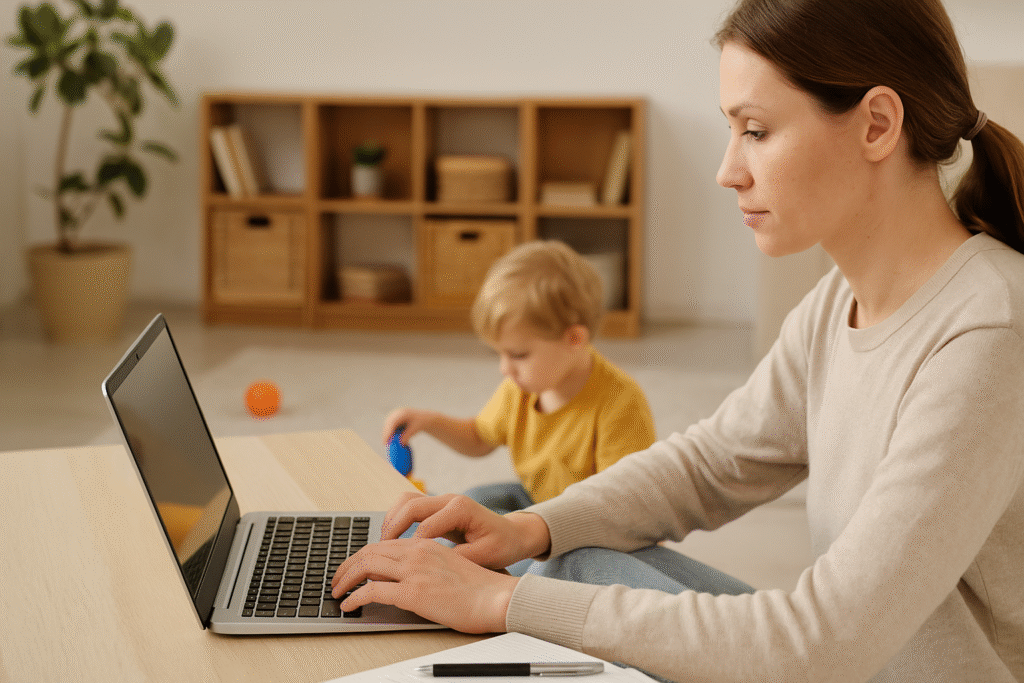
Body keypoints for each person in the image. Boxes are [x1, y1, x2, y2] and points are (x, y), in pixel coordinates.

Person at [333, 0, 1024, 679]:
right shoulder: (837, 303)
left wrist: (500, 601)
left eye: (756, 131)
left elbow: (822, 642)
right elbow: (711, 464)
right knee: (555, 550)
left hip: (842, 662)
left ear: (877, 125)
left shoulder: (988, 331)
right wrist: (530, 529)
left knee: (540, 589)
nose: (728, 170)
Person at [382, 239, 656, 514]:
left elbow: (622, 506)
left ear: (574, 338)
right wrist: (430, 422)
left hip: (589, 518)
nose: (505, 369)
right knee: (472, 501)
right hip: (537, 500)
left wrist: (537, 532)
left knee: (487, 524)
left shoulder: (621, 403)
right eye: (499, 354)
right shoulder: (520, 388)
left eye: (518, 355)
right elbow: (479, 438)